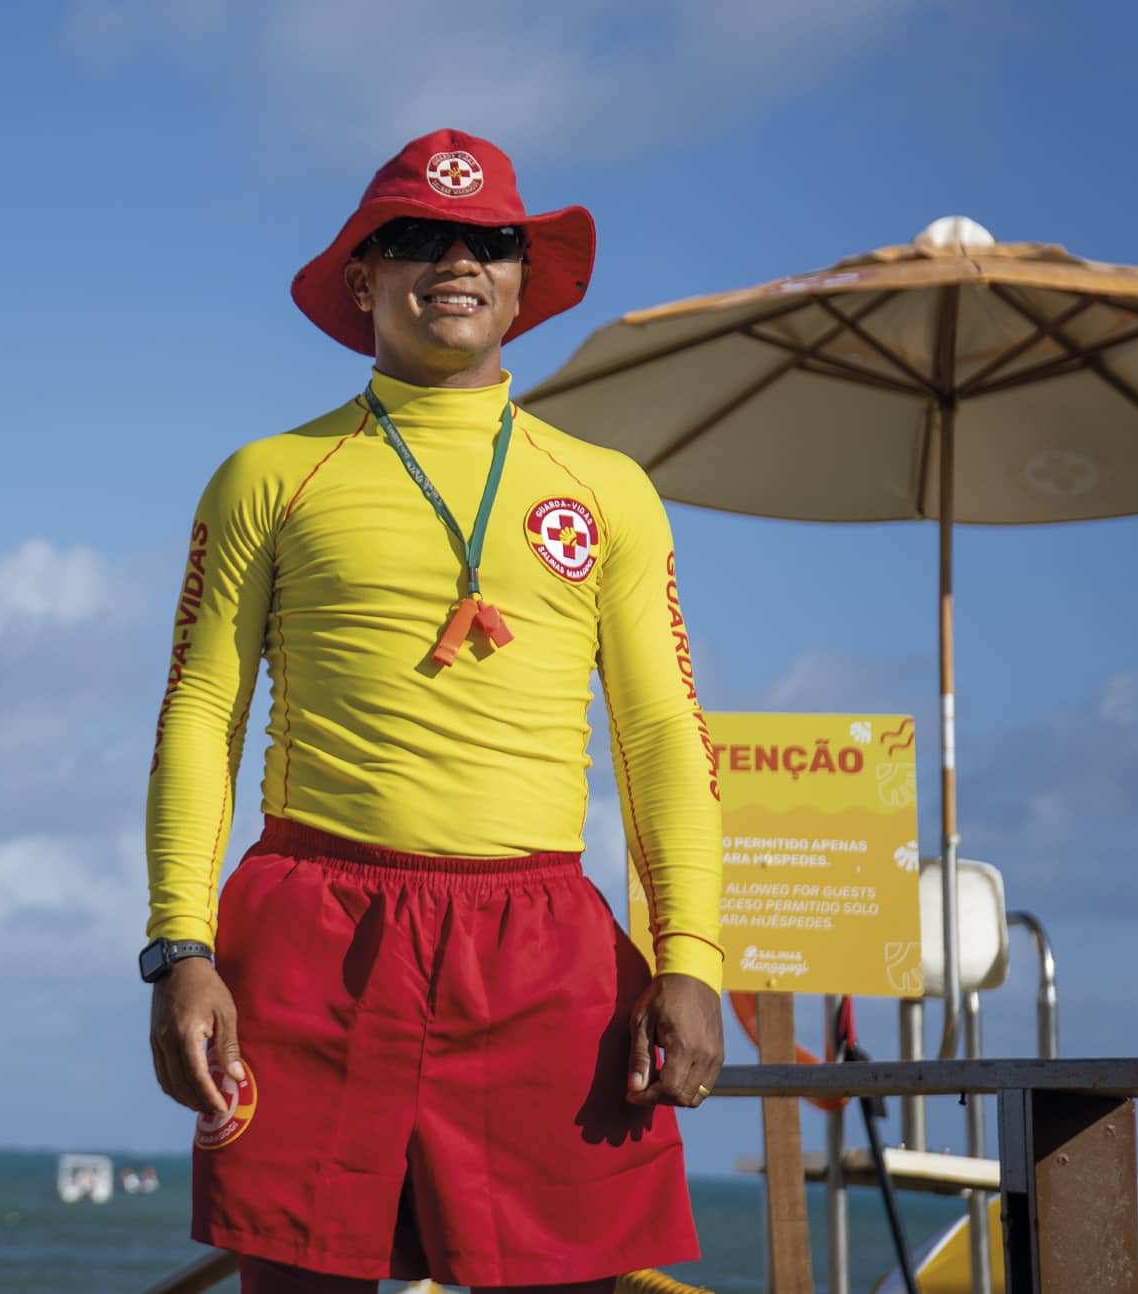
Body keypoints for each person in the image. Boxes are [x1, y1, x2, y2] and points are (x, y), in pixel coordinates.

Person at [138, 129, 725, 1294]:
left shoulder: (604, 489)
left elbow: (660, 730)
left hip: (539, 936)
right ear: (363, 279)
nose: (455, 261)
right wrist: (179, 948)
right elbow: (202, 711)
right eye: (415, 237)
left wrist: (691, 954)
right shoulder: (269, 474)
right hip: (317, 929)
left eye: (490, 240)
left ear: (520, 276)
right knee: (298, 1279)